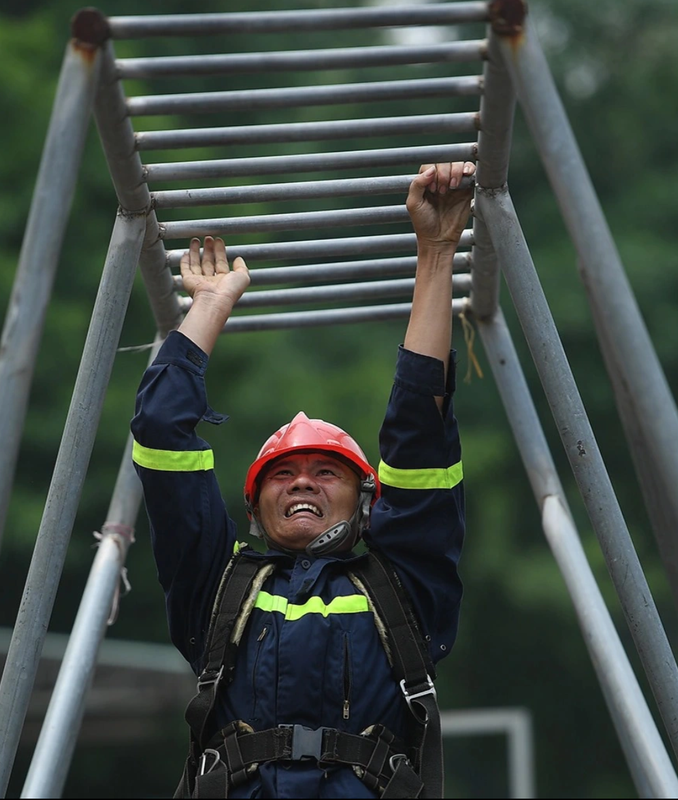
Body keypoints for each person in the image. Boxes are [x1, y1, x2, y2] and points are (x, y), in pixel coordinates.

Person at [131, 162, 474, 799]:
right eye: (283, 475)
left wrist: (437, 251)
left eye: (325, 473)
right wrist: (208, 306)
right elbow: (160, 433)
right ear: (255, 507)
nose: (302, 484)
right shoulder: (216, 590)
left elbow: (419, 434)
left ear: (367, 502)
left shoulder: (404, 588)